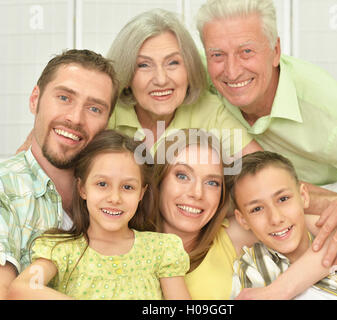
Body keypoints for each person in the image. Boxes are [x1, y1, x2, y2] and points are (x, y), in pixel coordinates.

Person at [196, 0, 337, 268]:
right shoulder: (197, 77)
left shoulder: (335, 115)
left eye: (246, 51)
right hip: (260, 214)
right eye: (218, 55)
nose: (232, 71)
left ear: (275, 51)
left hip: (323, 211)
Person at [147, 128, 337, 300]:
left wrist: (280, 290)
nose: (197, 193)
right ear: (159, 179)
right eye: (182, 176)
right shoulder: (127, 240)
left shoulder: (229, 236)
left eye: (212, 182)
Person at [7, 130, 191, 300]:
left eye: (128, 187)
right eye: (102, 184)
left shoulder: (161, 249)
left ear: (141, 194)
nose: (115, 198)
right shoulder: (62, 250)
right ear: (82, 188)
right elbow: (20, 289)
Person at [0, 49, 119, 298]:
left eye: (94, 109)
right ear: (35, 99)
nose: (75, 118)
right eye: (64, 98)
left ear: (107, 123)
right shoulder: (5, 189)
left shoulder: (116, 196)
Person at [106, 8, 261, 157]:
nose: (161, 79)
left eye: (173, 62)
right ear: (126, 74)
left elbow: (263, 171)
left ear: (189, 68)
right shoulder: (109, 110)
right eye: (144, 65)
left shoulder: (209, 110)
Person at [228, 151, 337, 300]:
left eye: (283, 199)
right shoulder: (253, 270)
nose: (275, 218)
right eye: (257, 209)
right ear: (243, 220)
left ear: (303, 197)